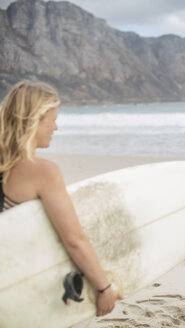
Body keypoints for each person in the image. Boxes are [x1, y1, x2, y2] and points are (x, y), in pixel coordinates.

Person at [0, 80, 122, 316]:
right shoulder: (42, 171)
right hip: (18, 289)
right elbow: (74, 239)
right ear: (34, 121)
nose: (55, 128)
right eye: (52, 120)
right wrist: (104, 287)